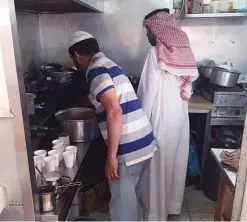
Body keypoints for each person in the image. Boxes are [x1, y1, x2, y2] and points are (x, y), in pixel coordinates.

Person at [68, 31, 157, 221]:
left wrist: (111, 157)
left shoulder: (94, 70)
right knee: (132, 203)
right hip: (144, 143)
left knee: (123, 212)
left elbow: (114, 111)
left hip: (128, 149)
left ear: (76, 56)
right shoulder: (109, 64)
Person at [137, 9, 199, 220]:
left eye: (148, 29)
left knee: (157, 166)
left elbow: (146, 92)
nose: (147, 35)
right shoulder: (183, 51)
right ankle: (172, 206)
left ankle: (155, 213)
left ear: (157, 29)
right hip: (179, 117)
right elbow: (188, 87)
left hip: (160, 117)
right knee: (175, 161)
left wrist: (138, 123)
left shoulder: (155, 54)